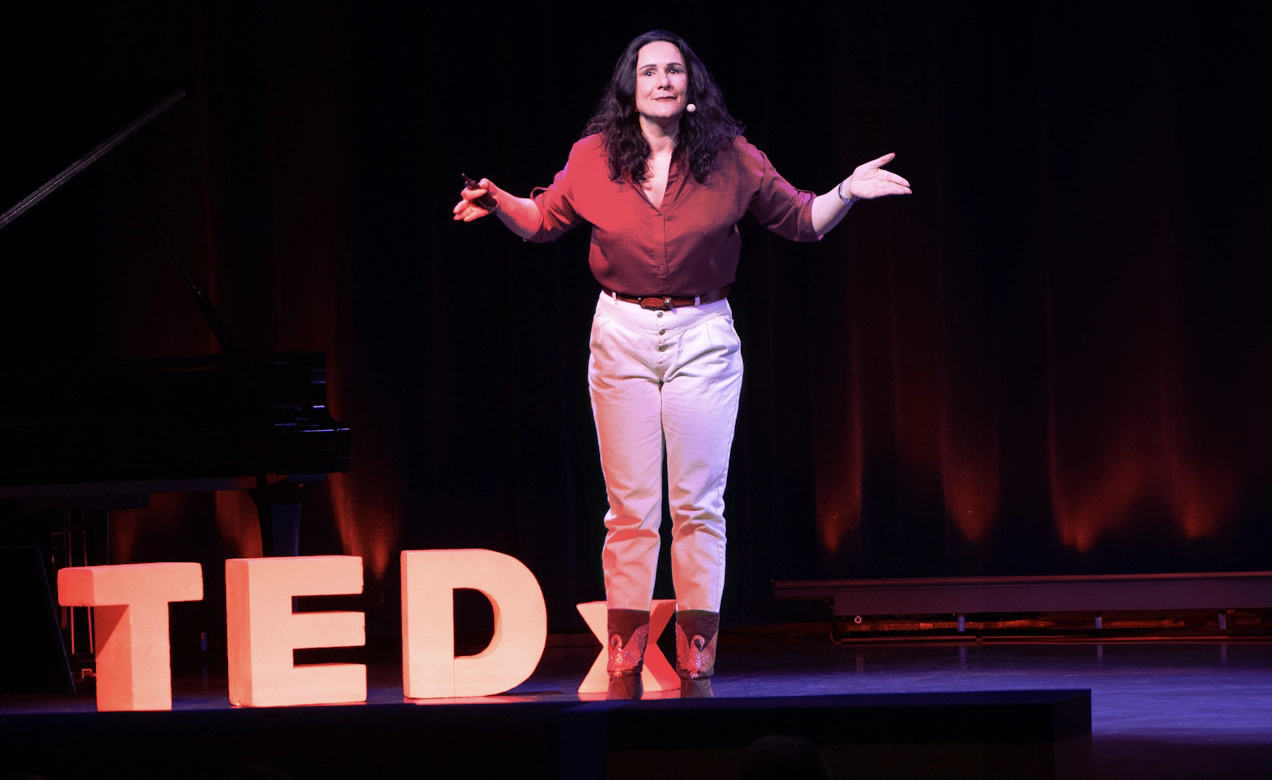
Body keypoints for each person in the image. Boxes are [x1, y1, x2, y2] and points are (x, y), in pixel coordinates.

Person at [453, 30, 910, 699]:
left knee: (698, 505)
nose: (663, 80)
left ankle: (697, 662)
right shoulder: (594, 156)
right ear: (630, 89)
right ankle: (624, 659)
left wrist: (846, 190)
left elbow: (804, 220)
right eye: (649, 72)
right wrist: (497, 203)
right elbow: (542, 220)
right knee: (630, 509)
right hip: (621, 332)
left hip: (703, 334)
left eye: (675, 71)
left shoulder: (732, 158)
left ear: (691, 90)